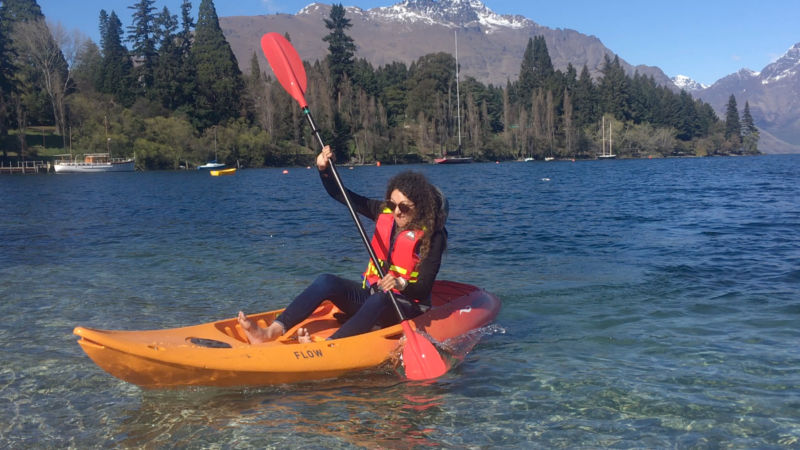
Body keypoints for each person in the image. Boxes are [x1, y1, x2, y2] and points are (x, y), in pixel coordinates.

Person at [238, 145, 448, 344]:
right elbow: (341, 195)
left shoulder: (433, 236)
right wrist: (324, 170)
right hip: (374, 298)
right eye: (393, 204)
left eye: (404, 207)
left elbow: (422, 289)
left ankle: (332, 345)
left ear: (419, 207)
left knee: (382, 298)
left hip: (406, 307)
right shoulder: (383, 212)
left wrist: (400, 284)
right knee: (326, 281)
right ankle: (270, 332)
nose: (396, 212)